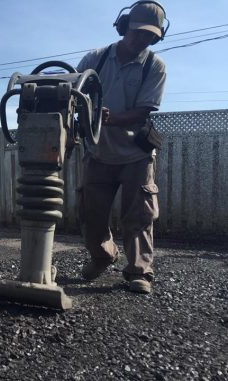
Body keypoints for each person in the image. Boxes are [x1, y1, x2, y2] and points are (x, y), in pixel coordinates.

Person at [75, 1, 168, 294]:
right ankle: (102, 256)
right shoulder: (96, 59)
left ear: (157, 37)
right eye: (139, 32)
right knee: (91, 213)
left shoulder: (155, 66)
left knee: (138, 216)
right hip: (98, 152)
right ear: (124, 25)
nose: (143, 39)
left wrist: (111, 117)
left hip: (136, 156)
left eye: (150, 35)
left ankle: (139, 271)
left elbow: (143, 111)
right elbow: (72, 95)